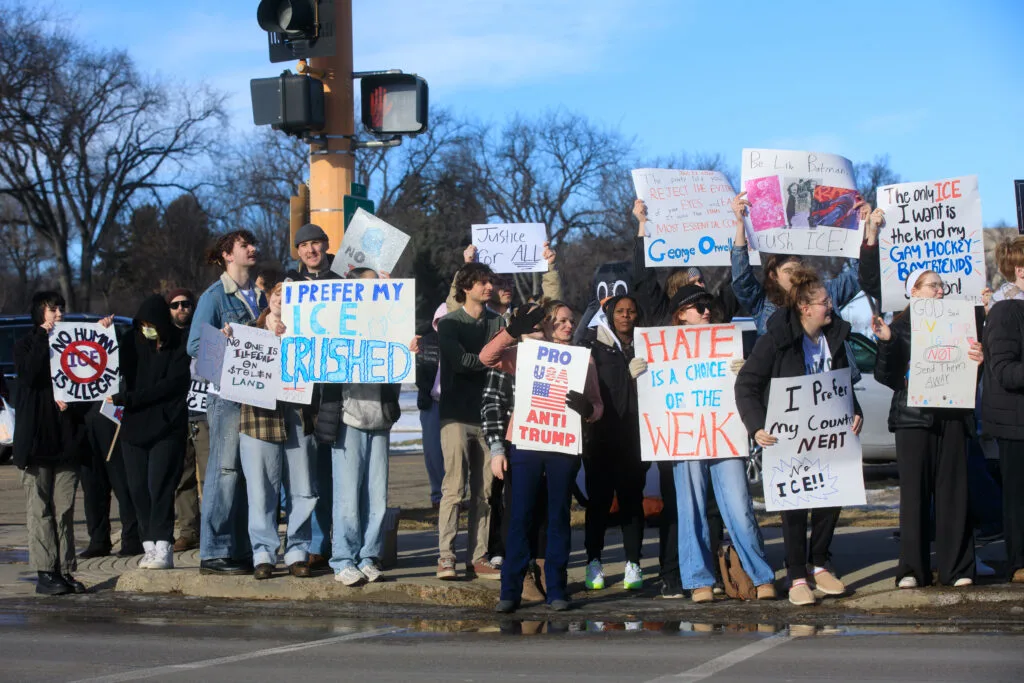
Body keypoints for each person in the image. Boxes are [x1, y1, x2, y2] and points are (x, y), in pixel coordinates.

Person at [634, 285, 776, 603]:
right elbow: (653, 396)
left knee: (739, 506)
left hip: (723, 434)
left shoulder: (726, 342)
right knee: (690, 508)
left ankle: (760, 575)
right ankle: (698, 580)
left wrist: (745, 370)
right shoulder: (661, 348)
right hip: (684, 438)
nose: (706, 310)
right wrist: (639, 374)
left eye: (708, 305)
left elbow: (751, 387)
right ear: (680, 315)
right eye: (698, 307)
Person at [735, 266, 863, 606]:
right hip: (788, 438)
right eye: (824, 302)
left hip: (829, 435)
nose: (830, 307)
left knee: (831, 497)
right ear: (805, 308)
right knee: (795, 505)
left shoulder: (834, 338)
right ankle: (795, 574)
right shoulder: (776, 340)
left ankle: (819, 564)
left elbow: (842, 383)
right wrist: (757, 425)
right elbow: (746, 383)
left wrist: (856, 410)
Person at [483, 300, 604, 612]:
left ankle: (556, 589)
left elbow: (597, 404)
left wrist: (589, 410)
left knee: (558, 517)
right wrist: (512, 332)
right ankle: (510, 590)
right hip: (526, 441)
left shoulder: (582, 360)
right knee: (519, 517)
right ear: (548, 324)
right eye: (561, 321)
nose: (567, 326)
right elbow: (488, 357)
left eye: (571, 321)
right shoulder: (526, 354)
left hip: (563, 446)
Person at [872, 270, 981, 588]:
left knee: (954, 493)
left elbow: (971, 371)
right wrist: (888, 343)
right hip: (913, 418)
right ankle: (911, 569)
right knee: (915, 495)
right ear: (914, 292)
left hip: (952, 416)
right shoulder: (899, 326)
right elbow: (885, 376)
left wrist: (979, 358)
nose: (939, 290)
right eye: (933, 285)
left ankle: (958, 568)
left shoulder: (960, 322)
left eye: (941, 286)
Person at [187, 230, 266, 575]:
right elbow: (194, 346)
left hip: (257, 399)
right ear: (227, 255)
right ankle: (214, 551)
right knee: (225, 472)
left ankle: (240, 547)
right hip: (226, 399)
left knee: (249, 475)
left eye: (252, 244)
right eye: (243, 246)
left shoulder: (262, 297)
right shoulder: (214, 297)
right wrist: (220, 341)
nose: (252, 249)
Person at [321, 267, 402, 585]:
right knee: (347, 497)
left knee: (376, 497)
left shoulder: (389, 321)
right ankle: (343, 559)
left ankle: (368, 556)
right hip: (347, 418)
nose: (372, 292)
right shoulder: (337, 322)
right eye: (365, 287)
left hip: (379, 418)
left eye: (375, 287)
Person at [730, 193, 863, 384]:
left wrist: (863, 229)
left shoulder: (824, 293)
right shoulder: (763, 303)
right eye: (788, 270)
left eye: (798, 268)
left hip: (828, 390)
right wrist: (741, 224)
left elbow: (857, 275)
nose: (795, 275)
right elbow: (741, 278)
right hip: (786, 392)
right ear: (773, 276)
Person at [235, 283, 317, 580]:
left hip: (298, 418)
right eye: (276, 294)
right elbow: (228, 364)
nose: (281, 299)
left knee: (302, 490)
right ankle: (263, 554)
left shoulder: (309, 331)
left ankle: (297, 552)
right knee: (260, 492)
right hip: (258, 421)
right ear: (267, 300)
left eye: (288, 295)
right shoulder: (248, 330)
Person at [12, 292, 92, 595]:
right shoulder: (25, 345)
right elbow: (30, 375)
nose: (59, 313)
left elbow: (88, 384)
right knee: (40, 510)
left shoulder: (74, 345)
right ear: (40, 313)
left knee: (65, 510)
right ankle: (45, 572)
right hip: (36, 444)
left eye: (61, 308)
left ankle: (65, 569)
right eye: (52, 309)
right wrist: (46, 339)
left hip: (65, 442)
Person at [108, 295, 191, 570]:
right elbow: (105, 360)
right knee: (138, 489)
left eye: (151, 324)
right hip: (134, 427)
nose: (147, 329)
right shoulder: (131, 344)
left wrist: (130, 399)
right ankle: (148, 545)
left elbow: (172, 385)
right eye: (142, 324)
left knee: (160, 486)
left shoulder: (178, 346)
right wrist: (102, 332)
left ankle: (163, 544)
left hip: (166, 425)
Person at [435, 262, 504, 580]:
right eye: (480, 282)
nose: (488, 287)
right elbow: (460, 362)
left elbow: (506, 362)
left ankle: (478, 556)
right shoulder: (449, 323)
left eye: (490, 281)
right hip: (456, 415)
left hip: (490, 415)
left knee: (485, 491)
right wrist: (492, 356)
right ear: (465, 287)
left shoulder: (498, 321)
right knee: (454, 488)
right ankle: (445, 557)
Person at [580, 294, 647, 592]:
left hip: (635, 439)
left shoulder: (648, 345)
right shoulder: (594, 346)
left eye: (631, 311)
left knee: (632, 503)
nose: (626, 316)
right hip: (601, 440)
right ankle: (594, 561)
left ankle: (633, 562)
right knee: (598, 505)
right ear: (609, 315)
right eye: (620, 311)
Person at [285, 223, 339, 567]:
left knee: (327, 472)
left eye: (316, 243)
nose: (310, 250)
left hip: (333, 391)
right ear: (298, 252)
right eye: (304, 245)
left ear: (326, 245)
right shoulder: (287, 286)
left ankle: (322, 543)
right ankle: (298, 544)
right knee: (299, 474)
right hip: (297, 393)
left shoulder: (343, 285)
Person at [982, 237, 1024, 584]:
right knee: (1018, 497)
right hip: (1016, 422)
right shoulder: (1007, 310)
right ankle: (1019, 562)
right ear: (1020, 271)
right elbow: (1005, 370)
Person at [165, 287, 206, 553]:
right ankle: (189, 530)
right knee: (183, 475)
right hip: (178, 413)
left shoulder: (202, 332)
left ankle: (215, 529)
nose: (182, 309)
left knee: (212, 472)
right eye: (176, 305)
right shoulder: (165, 338)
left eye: (187, 304)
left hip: (203, 409)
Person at [414, 303, 448, 509]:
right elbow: (416, 370)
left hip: (456, 403)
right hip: (432, 402)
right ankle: (437, 495)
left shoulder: (463, 340)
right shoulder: (425, 342)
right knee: (433, 451)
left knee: (457, 452)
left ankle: (456, 493)